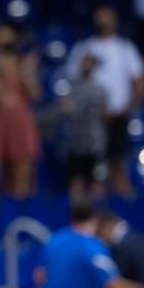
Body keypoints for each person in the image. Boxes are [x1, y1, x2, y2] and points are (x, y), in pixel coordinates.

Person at [66, 6, 144, 197]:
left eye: (107, 17)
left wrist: (126, 109)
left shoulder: (125, 48)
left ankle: (125, 212)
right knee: (85, 172)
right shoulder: (83, 48)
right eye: (99, 17)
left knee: (117, 164)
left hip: (116, 117)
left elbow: (139, 83)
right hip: (88, 123)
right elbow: (72, 82)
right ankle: (85, 215)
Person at [0, 25, 41, 199]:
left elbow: (35, 94)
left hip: (20, 121)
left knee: (22, 172)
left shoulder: (23, 64)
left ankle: (19, 212)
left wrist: (28, 72)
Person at [61, 53, 108, 200]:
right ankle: (77, 214)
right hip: (76, 143)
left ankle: (95, 214)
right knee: (76, 181)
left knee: (97, 181)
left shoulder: (100, 90)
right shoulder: (72, 88)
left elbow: (105, 113)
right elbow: (66, 110)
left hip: (95, 143)